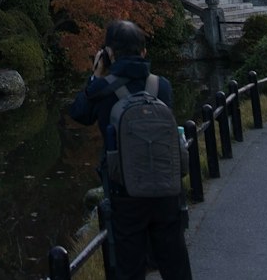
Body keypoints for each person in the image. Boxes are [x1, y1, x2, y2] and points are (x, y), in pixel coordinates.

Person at [68, 19, 192, 280]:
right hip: (166, 187)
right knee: (175, 260)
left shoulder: (102, 88)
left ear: (109, 53)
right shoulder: (162, 86)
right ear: (143, 52)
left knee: (129, 266)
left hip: (124, 190)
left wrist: (96, 76)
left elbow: (79, 113)